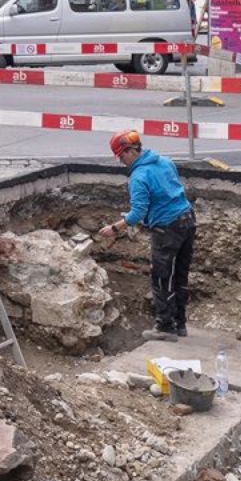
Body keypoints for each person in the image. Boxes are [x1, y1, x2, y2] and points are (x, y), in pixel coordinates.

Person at [100, 129, 196, 342]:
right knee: (180, 275)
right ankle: (180, 324)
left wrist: (115, 228)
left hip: (167, 228)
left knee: (162, 277)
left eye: (121, 156)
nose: (121, 161)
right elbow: (166, 193)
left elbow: (138, 213)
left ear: (128, 151)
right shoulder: (164, 161)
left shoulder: (138, 177)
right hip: (187, 220)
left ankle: (165, 327)